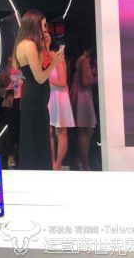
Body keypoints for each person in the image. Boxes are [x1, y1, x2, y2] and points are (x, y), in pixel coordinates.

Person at [12, 10, 63, 170]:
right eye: (43, 25)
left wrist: (46, 47)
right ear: (35, 24)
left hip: (37, 101)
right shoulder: (28, 45)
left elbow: (40, 68)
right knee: (35, 145)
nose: (45, 29)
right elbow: (40, 77)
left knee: (37, 143)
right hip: (34, 100)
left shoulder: (28, 44)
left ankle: (38, 176)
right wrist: (55, 63)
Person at [47, 41, 75, 171]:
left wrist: (45, 78)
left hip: (59, 97)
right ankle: (52, 163)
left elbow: (63, 82)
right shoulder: (45, 60)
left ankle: (58, 164)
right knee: (50, 131)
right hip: (50, 97)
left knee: (61, 132)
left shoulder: (58, 58)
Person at [70, 44, 98, 170]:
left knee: (85, 131)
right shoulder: (84, 59)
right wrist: (98, 77)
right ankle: (84, 163)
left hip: (81, 96)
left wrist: (92, 73)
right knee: (85, 131)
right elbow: (85, 81)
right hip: (83, 97)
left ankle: (81, 162)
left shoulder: (80, 59)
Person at [0, 57, 22, 168]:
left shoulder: (26, 67)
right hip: (11, 103)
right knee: (11, 131)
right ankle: (11, 155)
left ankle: (20, 155)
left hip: (24, 102)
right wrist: (7, 88)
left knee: (22, 130)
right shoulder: (6, 71)